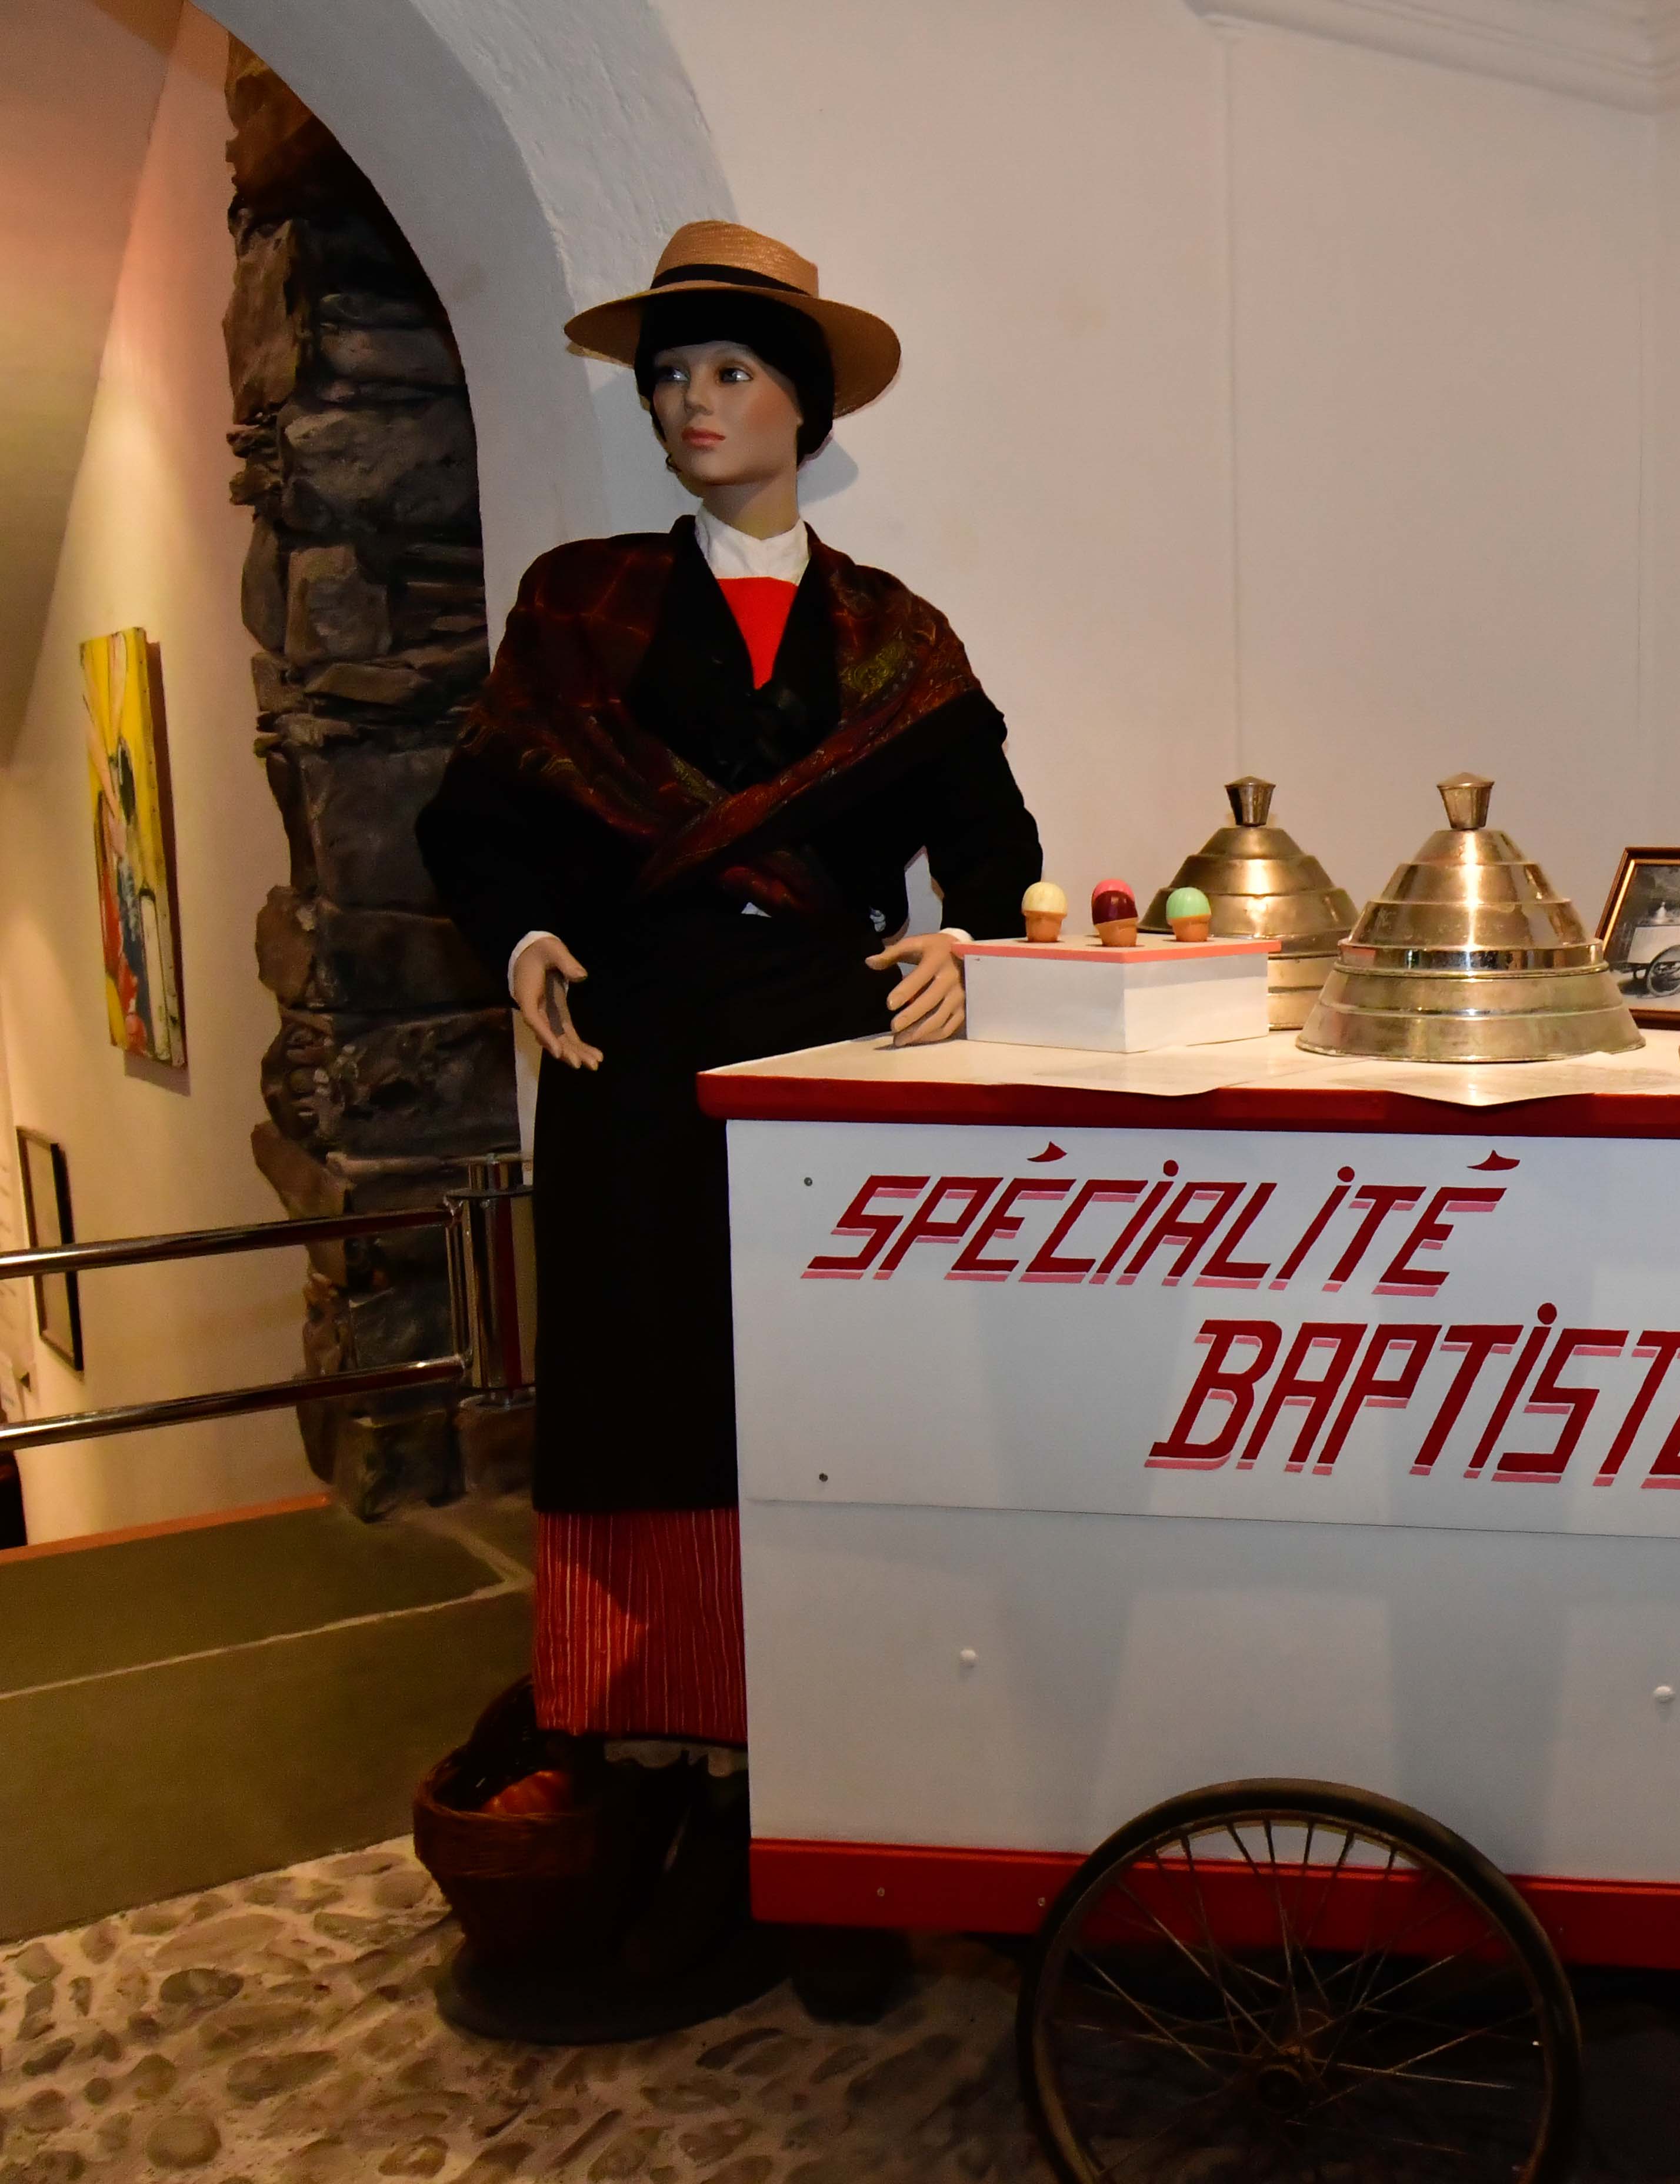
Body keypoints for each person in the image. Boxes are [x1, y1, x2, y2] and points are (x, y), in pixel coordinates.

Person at [419, 221, 1042, 2006]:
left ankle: (830, 1824)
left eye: (732, 372)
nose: (693, 403)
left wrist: (966, 948)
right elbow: (481, 817)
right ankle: (672, 1790)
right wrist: (524, 936)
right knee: (648, 1412)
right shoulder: (581, 602)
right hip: (631, 1061)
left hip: (829, 1066)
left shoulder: (897, 637)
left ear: (804, 407)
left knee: (830, 1417)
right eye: (670, 375)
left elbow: (995, 848)